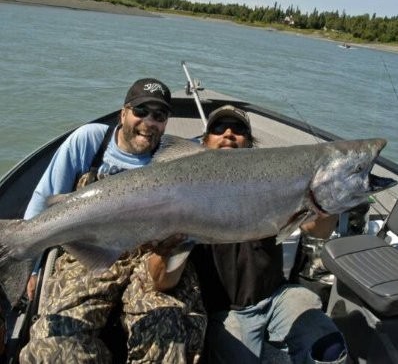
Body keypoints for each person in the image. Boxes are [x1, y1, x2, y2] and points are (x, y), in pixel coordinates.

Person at [19, 78, 206, 364]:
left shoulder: (176, 158)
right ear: (123, 113)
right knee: (54, 344)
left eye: (159, 116)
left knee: (168, 339)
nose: (149, 121)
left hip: (152, 256)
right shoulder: (91, 141)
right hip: (89, 251)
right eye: (141, 111)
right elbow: (44, 198)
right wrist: (31, 267)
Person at [143, 105, 346, 364]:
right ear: (204, 142)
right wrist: (168, 248)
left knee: (329, 349)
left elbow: (318, 231)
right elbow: (160, 282)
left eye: (239, 130)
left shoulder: (273, 184)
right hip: (226, 314)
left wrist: (327, 199)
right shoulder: (180, 194)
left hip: (277, 297)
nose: (228, 134)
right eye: (218, 128)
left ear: (249, 144)